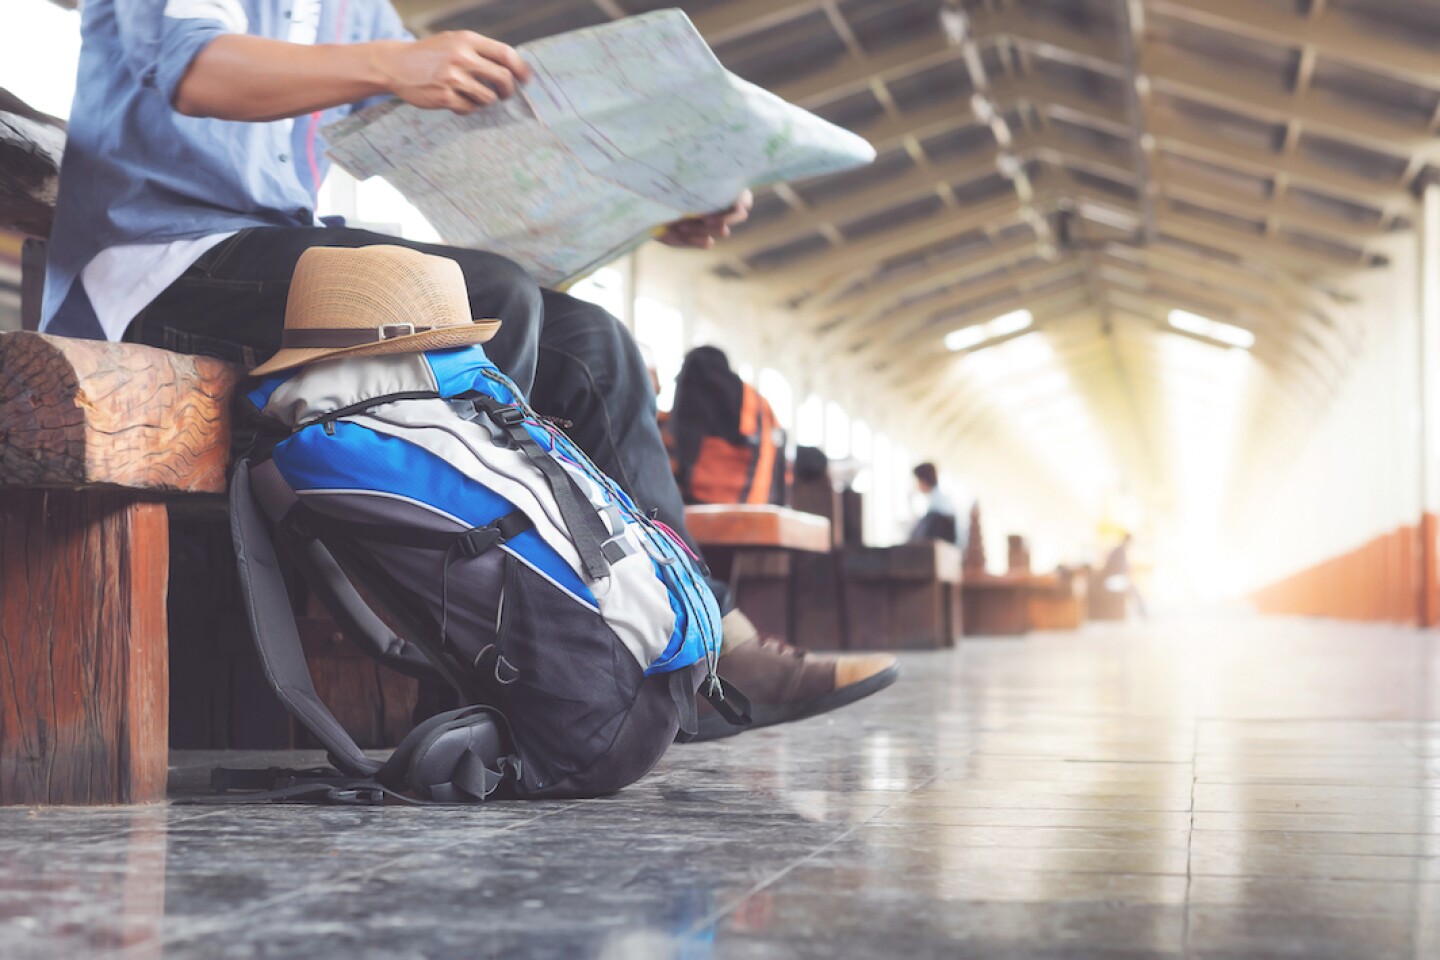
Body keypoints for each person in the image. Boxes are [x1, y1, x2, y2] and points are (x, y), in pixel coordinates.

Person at [43, 0, 897, 740]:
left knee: (596, 347)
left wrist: (651, 195)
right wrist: (397, 60)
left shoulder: (359, 13)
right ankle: (492, 662)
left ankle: (705, 656)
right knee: (483, 295)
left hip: (272, 254)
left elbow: (442, 135)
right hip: (156, 263)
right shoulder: (368, 36)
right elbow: (199, 71)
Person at [670, 346, 786, 506]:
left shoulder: (694, 384)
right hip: (759, 504)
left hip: (700, 507)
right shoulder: (757, 401)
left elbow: (683, 448)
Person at [908, 462, 959, 544]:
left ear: (923, 481)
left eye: (917, 481)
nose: (916, 485)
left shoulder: (937, 505)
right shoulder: (938, 500)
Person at [1103, 533, 1148, 619]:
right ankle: (1143, 613)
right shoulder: (1119, 551)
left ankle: (1142, 612)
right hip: (1113, 579)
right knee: (1134, 589)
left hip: (1115, 578)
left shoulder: (1120, 550)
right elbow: (1120, 568)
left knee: (1133, 589)